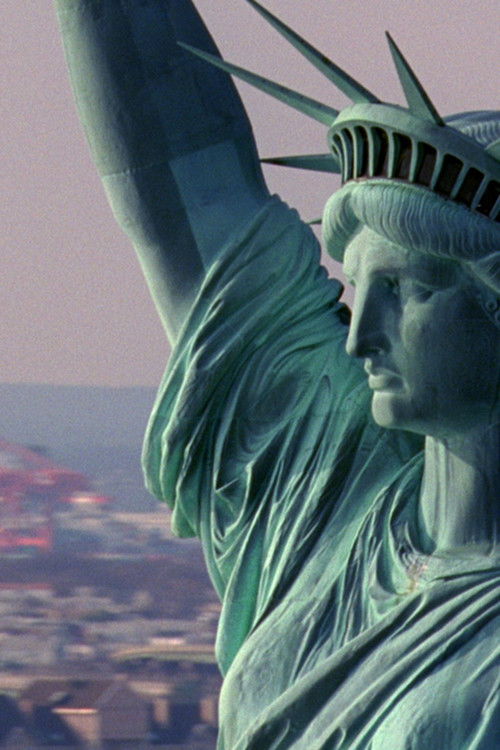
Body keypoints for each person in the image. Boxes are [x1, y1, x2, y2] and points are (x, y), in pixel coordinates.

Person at [55, 1, 500, 747]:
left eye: (407, 290)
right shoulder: (329, 491)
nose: (359, 338)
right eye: (359, 289)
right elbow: (189, 195)